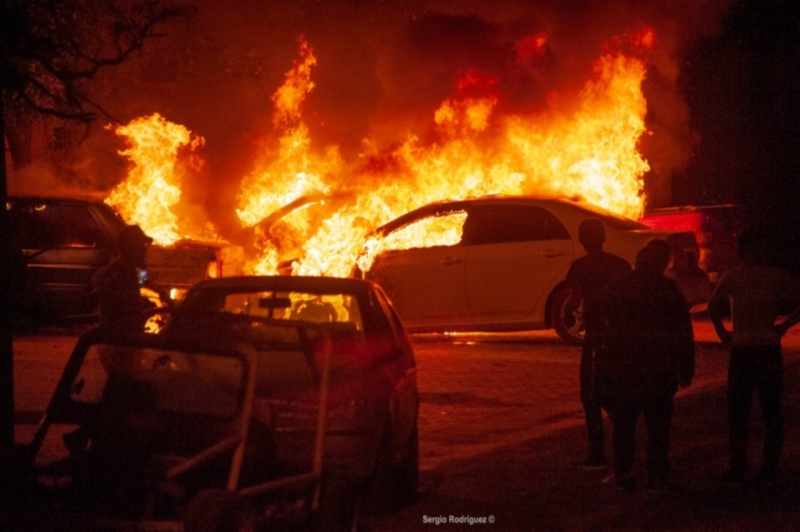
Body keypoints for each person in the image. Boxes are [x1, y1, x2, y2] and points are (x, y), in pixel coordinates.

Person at [590, 239, 695, 492]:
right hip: (659, 369)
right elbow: (683, 332)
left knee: (624, 424)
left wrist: (605, 338)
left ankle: (624, 472)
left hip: (625, 368)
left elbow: (592, 309)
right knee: (658, 426)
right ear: (662, 262)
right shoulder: (668, 290)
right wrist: (686, 368)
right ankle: (656, 476)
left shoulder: (621, 284)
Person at [707, 227, 800, 485]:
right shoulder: (777, 276)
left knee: (739, 411)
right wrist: (783, 326)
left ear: (743, 250)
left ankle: (738, 466)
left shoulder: (733, 276)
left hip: (743, 349)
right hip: (768, 347)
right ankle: (769, 466)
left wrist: (722, 333)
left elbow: (713, 305)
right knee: (771, 409)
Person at [566, 218, 632, 468]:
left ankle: (597, 453)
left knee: (591, 395)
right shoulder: (621, 265)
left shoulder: (580, 266)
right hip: (620, 339)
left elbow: (573, 301)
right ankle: (623, 446)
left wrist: (575, 312)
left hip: (595, 341)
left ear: (582, 240)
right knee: (616, 394)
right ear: (603, 238)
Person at [92, 224, 154, 334]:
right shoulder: (121, 273)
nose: (145, 249)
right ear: (131, 248)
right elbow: (125, 305)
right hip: (119, 338)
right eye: (141, 245)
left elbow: (140, 286)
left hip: (124, 336)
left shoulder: (131, 267)